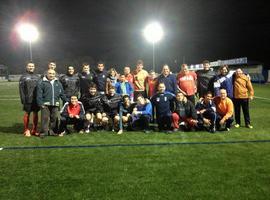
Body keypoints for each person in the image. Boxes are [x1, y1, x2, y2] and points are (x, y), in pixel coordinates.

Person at [37, 69, 67, 137]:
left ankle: (52, 131)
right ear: (46, 74)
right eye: (50, 73)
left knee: (54, 118)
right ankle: (43, 132)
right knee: (45, 119)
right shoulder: (42, 82)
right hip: (45, 104)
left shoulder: (58, 83)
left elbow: (62, 94)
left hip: (55, 104)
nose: (51, 75)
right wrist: (40, 103)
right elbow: (39, 94)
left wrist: (67, 101)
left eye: (53, 74)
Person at [19, 62, 40, 137]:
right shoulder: (23, 77)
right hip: (27, 99)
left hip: (36, 99)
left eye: (32, 66)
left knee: (35, 113)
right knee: (27, 113)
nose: (31, 67)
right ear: (27, 67)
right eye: (29, 66)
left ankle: (34, 130)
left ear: (34, 67)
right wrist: (23, 99)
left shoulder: (37, 76)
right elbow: (21, 89)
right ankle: (26, 130)